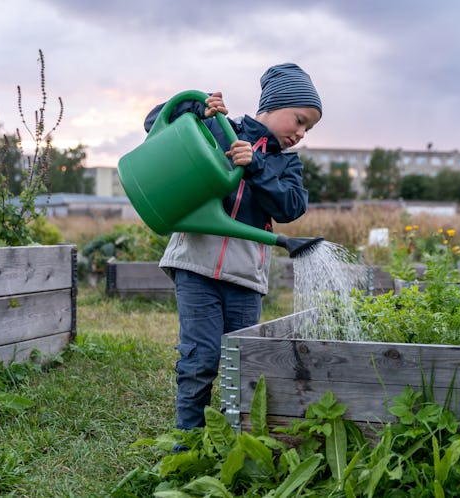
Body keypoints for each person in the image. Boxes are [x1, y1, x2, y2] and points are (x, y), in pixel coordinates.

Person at [143, 63, 322, 432]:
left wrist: (256, 166)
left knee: (242, 364)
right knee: (200, 358)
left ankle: (230, 441)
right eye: (300, 120)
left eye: (308, 129)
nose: (302, 134)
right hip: (196, 264)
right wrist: (197, 110)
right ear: (273, 104)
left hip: (245, 277)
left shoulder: (285, 164)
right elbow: (153, 122)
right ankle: (188, 442)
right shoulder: (218, 128)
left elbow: (290, 206)